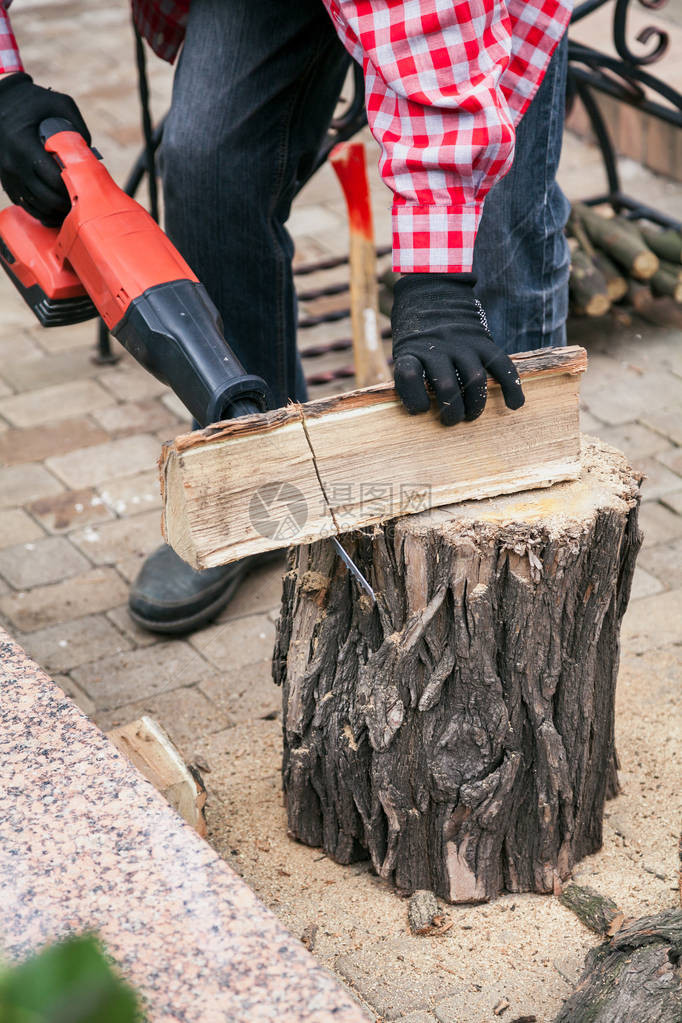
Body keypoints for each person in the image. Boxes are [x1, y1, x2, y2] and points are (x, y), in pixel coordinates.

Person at [0, 0, 572, 633]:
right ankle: (259, 483)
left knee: (496, 228)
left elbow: (433, 38)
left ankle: (520, 518)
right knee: (207, 160)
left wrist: (436, 283)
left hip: (461, 18)